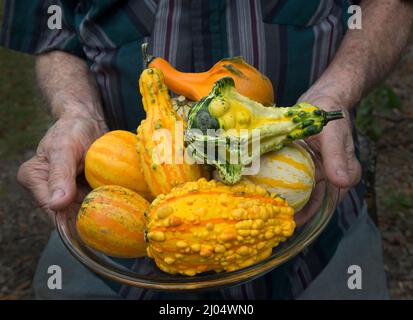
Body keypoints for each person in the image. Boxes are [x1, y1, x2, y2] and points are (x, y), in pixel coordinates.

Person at [1, 0, 412, 300]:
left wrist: (336, 91)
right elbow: (49, 27)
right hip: (111, 265)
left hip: (322, 242)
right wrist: (77, 112)